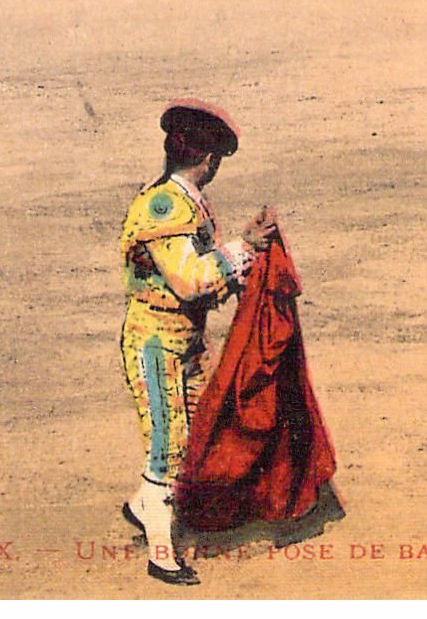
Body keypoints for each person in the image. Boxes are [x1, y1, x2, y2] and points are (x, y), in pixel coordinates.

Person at [118, 101, 278, 585]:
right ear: (208, 159)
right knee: (169, 444)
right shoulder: (164, 206)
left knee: (185, 436)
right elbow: (190, 280)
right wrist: (245, 250)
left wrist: (243, 248)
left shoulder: (182, 200)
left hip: (183, 339)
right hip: (155, 341)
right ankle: (162, 552)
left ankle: (140, 505)